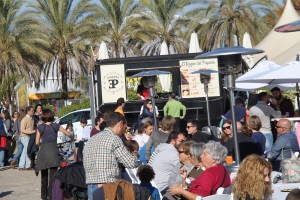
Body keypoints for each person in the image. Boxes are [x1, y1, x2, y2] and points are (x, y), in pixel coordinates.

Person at [83, 112, 137, 200]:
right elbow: (130, 163)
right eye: (125, 127)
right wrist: (135, 155)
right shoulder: (114, 138)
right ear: (120, 124)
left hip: (90, 185)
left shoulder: (91, 140)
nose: (125, 130)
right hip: (107, 186)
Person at [35, 109, 75, 200]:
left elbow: (37, 142)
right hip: (53, 152)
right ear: (51, 116)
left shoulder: (40, 127)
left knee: (44, 177)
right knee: (52, 177)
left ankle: (44, 196)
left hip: (43, 153)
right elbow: (68, 134)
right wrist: (72, 139)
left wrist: (43, 145)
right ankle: (51, 196)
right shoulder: (56, 126)